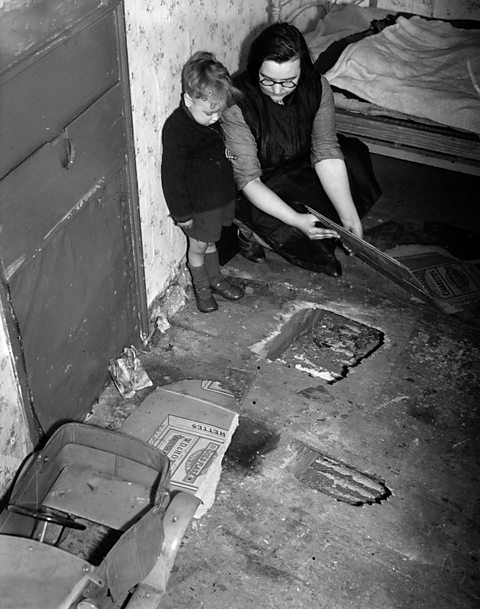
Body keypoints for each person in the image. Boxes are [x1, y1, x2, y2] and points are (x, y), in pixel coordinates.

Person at [220, 23, 381, 277]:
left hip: (299, 166)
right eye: (267, 80)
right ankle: (250, 231)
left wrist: (349, 216)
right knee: (296, 231)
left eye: (287, 82)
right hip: (262, 184)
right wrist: (296, 220)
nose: (276, 90)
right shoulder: (235, 101)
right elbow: (249, 179)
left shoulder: (317, 86)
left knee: (353, 157)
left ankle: (325, 226)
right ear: (255, 68)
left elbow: (326, 150)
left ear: (302, 70)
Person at [161, 51, 244, 313]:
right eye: (209, 112)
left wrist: (228, 153)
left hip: (218, 198)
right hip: (197, 205)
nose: (215, 118)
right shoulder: (177, 129)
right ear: (188, 99)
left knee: (211, 242)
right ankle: (202, 289)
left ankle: (216, 279)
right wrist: (181, 214)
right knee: (198, 246)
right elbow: (171, 175)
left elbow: (214, 148)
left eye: (218, 112)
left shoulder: (210, 119)